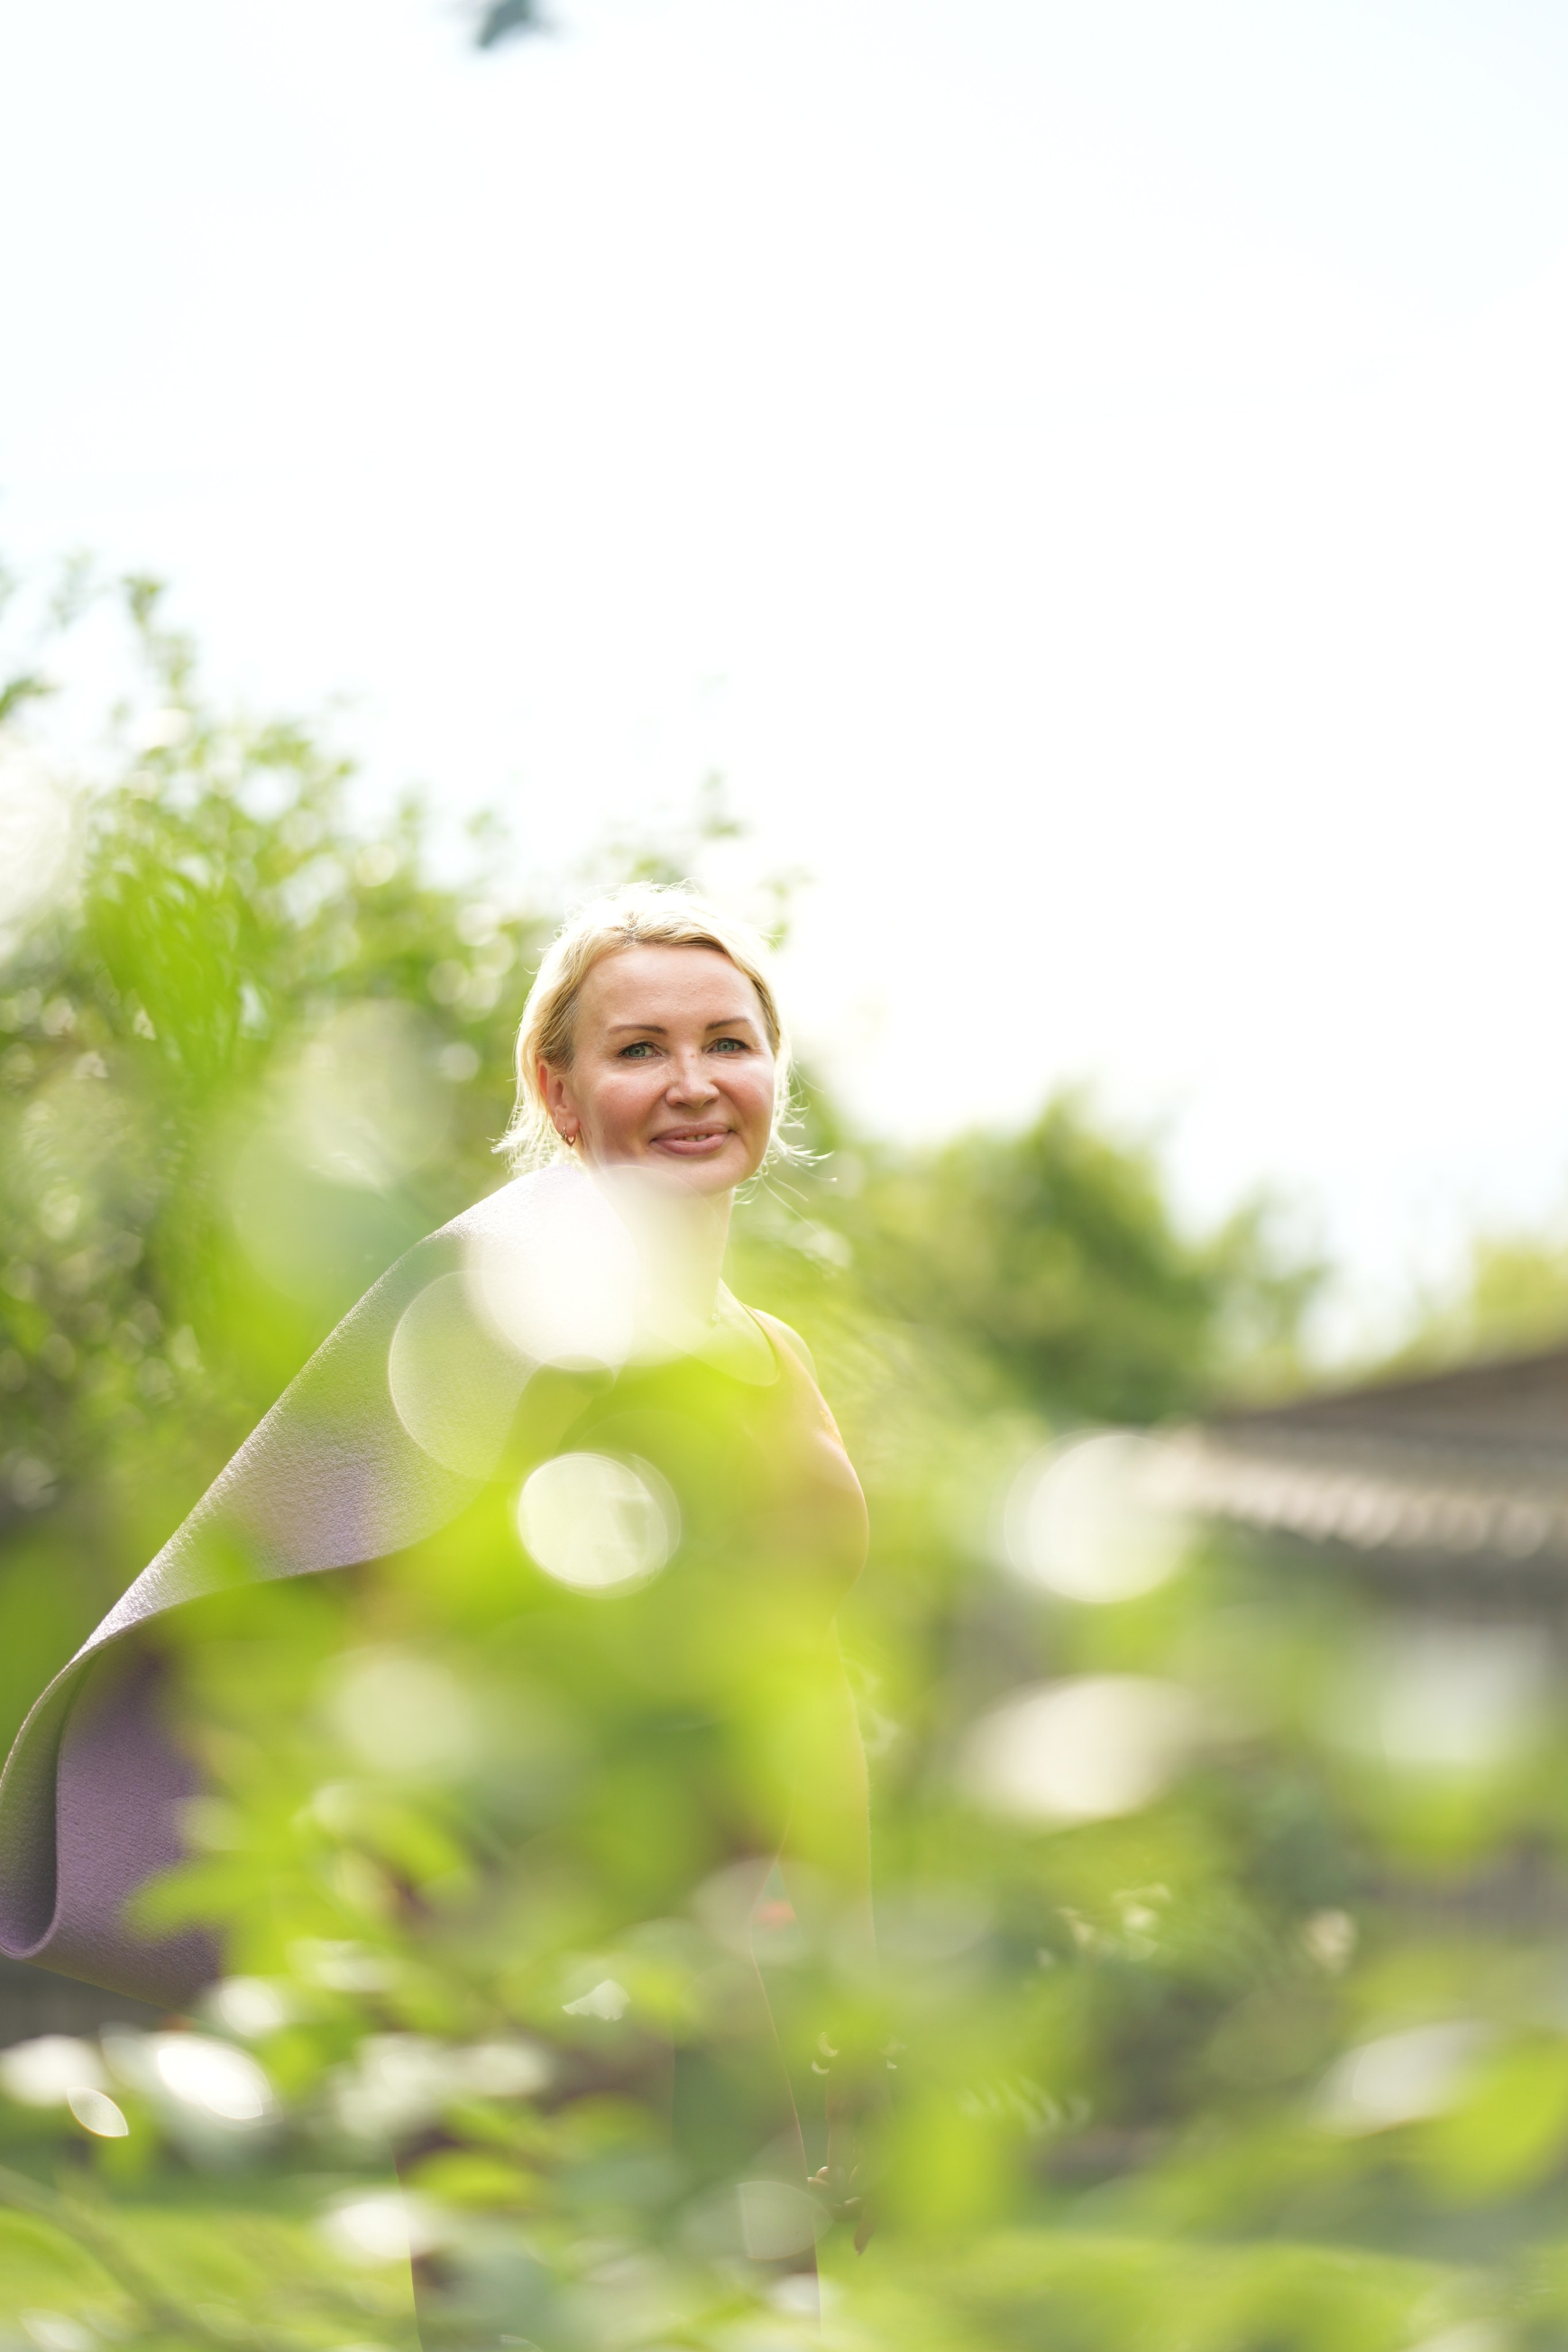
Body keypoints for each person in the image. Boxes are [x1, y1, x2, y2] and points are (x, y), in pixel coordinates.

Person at [0, 882, 874, 2299]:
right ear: (559, 1083)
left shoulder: (777, 1355)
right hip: (544, 1949)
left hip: (755, 1953)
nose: (693, 1083)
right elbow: (367, 1620)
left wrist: (851, 1982)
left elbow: (809, 1682)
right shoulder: (498, 1299)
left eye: (728, 1041)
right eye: (638, 1049)